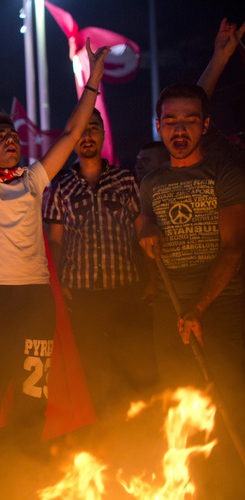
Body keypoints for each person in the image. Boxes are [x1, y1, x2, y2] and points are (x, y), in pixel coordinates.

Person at [0, 20, 108, 444]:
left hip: (35, 298)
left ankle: (26, 468)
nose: (9, 139)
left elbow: (73, 132)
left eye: (12, 134)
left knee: (34, 389)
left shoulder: (35, 178)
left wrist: (92, 81)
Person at [139, 20, 245, 486]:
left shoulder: (225, 170)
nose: (179, 128)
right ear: (158, 125)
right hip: (171, 306)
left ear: (205, 125)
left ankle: (229, 484)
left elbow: (234, 247)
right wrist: (145, 228)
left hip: (220, 306)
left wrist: (200, 307)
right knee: (178, 401)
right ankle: (189, 486)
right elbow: (146, 218)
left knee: (227, 399)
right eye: (170, 120)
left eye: (189, 120)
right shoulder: (152, 181)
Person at [43, 109, 157, 416]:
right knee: (92, 369)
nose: (87, 136)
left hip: (125, 290)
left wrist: (152, 279)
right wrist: (58, 286)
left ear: (103, 134)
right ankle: (98, 439)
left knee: (133, 365)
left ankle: (135, 429)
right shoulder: (59, 187)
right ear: (71, 138)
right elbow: (54, 241)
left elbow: (142, 233)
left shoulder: (125, 180)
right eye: (80, 130)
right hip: (82, 296)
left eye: (93, 128)